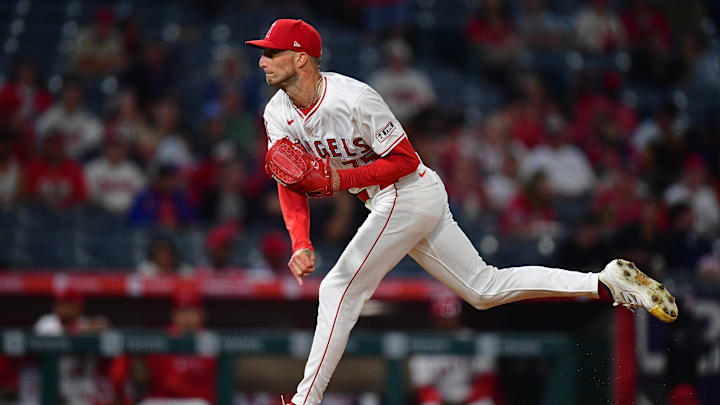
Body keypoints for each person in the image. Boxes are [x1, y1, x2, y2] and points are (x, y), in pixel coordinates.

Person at [245, 19, 677, 405]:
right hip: (389, 201)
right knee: (483, 289)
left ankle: (305, 399)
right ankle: (604, 283)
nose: (262, 61)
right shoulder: (277, 112)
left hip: (410, 191)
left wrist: (340, 181)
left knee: (338, 289)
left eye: (271, 52)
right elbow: (290, 181)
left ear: (301, 58)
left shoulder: (355, 98)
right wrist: (300, 241)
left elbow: (405, 161)